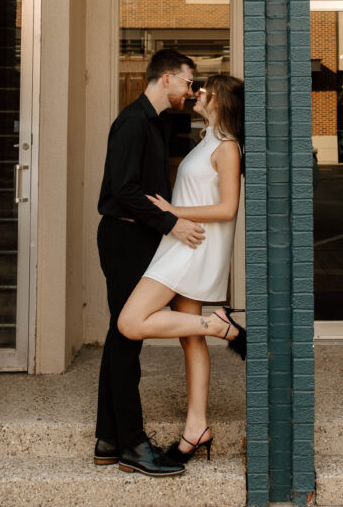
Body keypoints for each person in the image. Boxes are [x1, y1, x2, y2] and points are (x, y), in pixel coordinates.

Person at [117, 73, 246, 465]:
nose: (199, 92)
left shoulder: (227, 147)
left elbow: (227, 209)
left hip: (192, 247)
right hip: (181, 241)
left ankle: (219, 324)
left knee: (131, 321)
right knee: (189, 339)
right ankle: (196, 429)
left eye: (207, 90)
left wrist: (172, 212)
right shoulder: (205, 139)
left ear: (222, 101)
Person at [94, 48, 207, 479]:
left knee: (121, 335)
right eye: (187, 82)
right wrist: (172, 224)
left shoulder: (158, 122)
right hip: (124, 236)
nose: (191, 90)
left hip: (138, 236)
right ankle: (134, 446)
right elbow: (123, 191)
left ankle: (109, 438)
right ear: (165, 79)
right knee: (128, 337)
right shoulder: (132, 123)